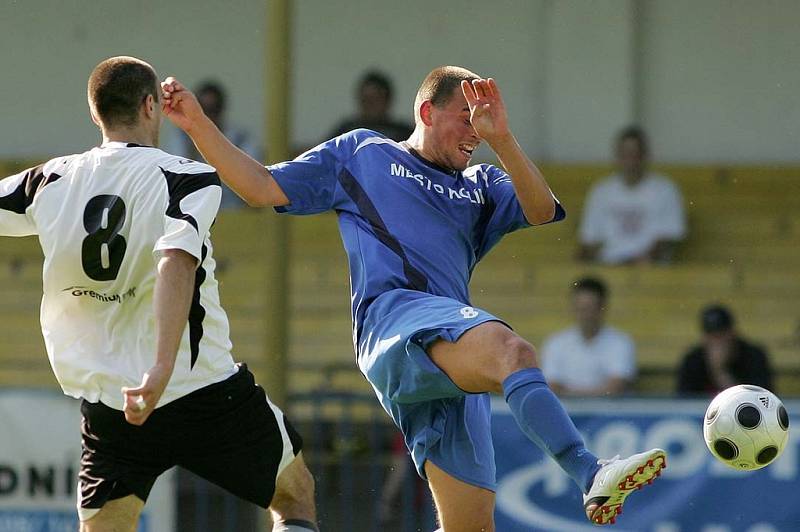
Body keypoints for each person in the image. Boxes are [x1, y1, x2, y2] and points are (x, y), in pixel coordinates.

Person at [162, 66, 666, 530]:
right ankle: (588, 470)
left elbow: (539, 210)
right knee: (512, 351)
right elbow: (261, 186)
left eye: (482, 123)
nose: (475, 133)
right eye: (466, 119)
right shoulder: (364, 153)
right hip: (396, 321)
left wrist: (504, 138)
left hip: (449, 353)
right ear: (426, 112)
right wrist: (199, 125)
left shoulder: (481, 184)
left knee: (472, 527)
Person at [0, 57, 316, 532]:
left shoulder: (50, 179)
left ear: (95, 114)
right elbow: (177, 259)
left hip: (114, 404)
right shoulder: (188, 177)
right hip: (201, 389)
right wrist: (161, 368)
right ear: (151, 106)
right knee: (294, 498)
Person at [578, 126, 686, 265]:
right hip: (609, 268)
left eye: (635, 154)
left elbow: (669, 238)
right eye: (625, 154)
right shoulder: (601, 191)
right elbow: (589, 239)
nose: (630, 160)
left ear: (645, 155)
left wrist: (639, 262)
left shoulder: (665, 190)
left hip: (650, 270)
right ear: (617, 156)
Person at [162, 80, 259, 209]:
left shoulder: (241, 139)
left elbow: (255, 184)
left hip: (234, 213)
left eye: (214, 109)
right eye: (204, 110)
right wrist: (195, 136)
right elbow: (176, 180)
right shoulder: (182, 137)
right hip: (193, 210)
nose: (209, 116)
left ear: (222, 109)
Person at [541, 277, 637, 396]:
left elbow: (616, 387)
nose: (584, 315)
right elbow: (552, 385)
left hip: (607, 412)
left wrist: (569, 392)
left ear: (602, 308)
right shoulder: (556, 342)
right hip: (566, 411)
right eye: (579, 308)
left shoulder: (621, 342)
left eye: (589, 308)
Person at [677, 305, 773, 396]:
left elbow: (759, 402)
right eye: (711, 336)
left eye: (721, 335)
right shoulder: (692, 361)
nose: (716, 341)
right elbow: (684, 402)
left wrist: (720, 372)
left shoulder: (753, 357)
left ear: (732, 333)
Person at [329, 70, 414, 141]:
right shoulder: (347, 130)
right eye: (365, 99)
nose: (369, 105)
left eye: (375, 99)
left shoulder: (402, 132)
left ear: (387, 100)